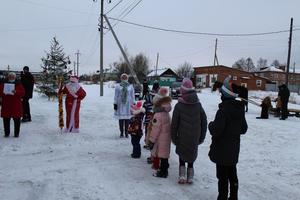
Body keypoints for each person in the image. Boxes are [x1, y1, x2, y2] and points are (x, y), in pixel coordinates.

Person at [208, 77, 248, 200]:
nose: (220, 94)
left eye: (221, 93)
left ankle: (223, 197)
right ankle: (234, 197)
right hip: (233, 150)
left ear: (225, 94)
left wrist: (211, 125)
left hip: (222, 151)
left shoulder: (223, 110)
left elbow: (216, 130)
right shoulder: (239, 109)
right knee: (232, 175)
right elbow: (243, 129)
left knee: (223, 177)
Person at [171, 78, 207, 184]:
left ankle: (182, 175)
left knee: (182, 155)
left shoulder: (179, 105)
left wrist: (174, 138)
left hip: (182, 136)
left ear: (182, 90)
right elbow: (204, 121)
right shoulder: (198, 105)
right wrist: (201, 137)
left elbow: (174, 124)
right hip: (194, 136)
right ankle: (190, 176)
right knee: (191, 155)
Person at [148, 87, 172, 178]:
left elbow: (155, 129)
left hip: (160, 139)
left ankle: (163, 172)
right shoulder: (166, 113)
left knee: (162, 154)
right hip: (166, 138)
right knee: (165, 154)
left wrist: (151, 140)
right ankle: (164, 167)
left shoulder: (158, 115)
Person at [0, 72, 25, 137]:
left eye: (13, 76)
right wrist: (3, 93)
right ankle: (6, 133)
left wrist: (16, 92)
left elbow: (23, 93)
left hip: (16, 105)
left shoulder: (19, 84)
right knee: (6, 120)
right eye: (10, 76)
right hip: (6, 104)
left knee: (17, 120)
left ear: (15, 77)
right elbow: (0, 92)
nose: (11, 77)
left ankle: (16, 133)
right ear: (8, 77)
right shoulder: (3, 83)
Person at [114, 73, 135, 138]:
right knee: (121, 119)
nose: (124, 78)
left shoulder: (130, 86)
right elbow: (116, 95)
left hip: (128, 103)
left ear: (127, 78)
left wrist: (133, 103)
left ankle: (126, 132)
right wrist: (115, 103)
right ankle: (121, 132)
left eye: (125, 77)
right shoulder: (118, 86)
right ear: (121, 78)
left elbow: (132, 95)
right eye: (123, 77)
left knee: (127, 119)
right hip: (120, 103)